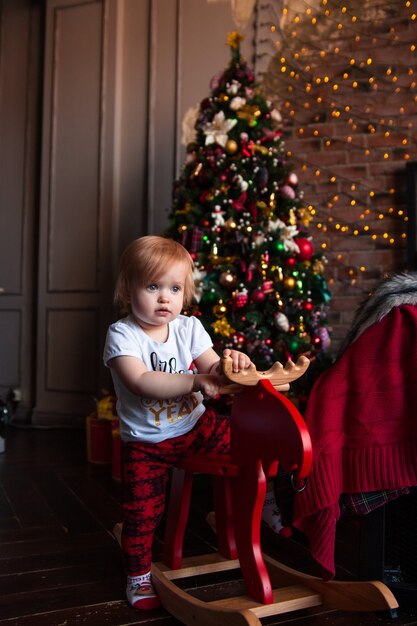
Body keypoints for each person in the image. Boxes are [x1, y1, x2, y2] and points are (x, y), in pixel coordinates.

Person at [103, 235, 289, 610]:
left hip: (194, 427)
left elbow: (210, 367)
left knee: (249, 442)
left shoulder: (188, 328)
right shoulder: (122, 335)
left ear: (185, 293)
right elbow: (140, 380)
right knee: (142, 513)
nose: (163, 298)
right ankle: (138, 577)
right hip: (146, 444)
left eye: (173, 288)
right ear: (128, 289)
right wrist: (194, 382)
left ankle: (267, 501)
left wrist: (228, 365)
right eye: (152, 286)